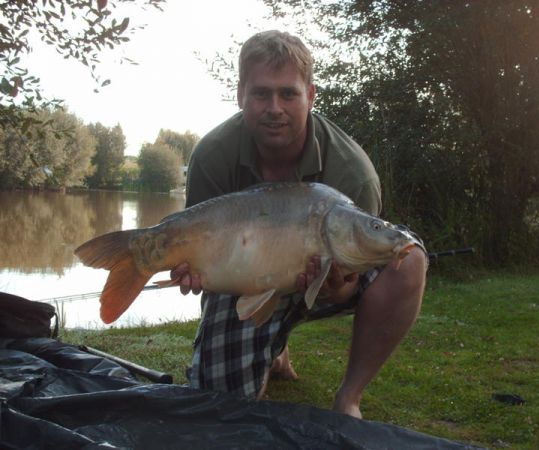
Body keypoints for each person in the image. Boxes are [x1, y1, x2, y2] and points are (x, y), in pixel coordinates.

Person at [171, 30, 428, 419]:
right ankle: (272, 345)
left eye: (288, 94)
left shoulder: (353, 173)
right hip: (246, 278)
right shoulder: (213, 155)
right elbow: (203, 259)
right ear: (240, 95)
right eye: (261, 94)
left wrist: (336, 286)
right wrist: (193, 271)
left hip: (326, 277)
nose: (274, 108)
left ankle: (349, 397)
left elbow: (346, 289)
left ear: (310, 95)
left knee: (409, 262)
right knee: (218, 404)